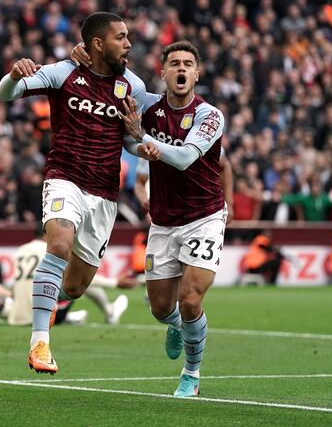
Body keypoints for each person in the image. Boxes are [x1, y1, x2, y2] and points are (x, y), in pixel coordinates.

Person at [0, 12, 160, 374]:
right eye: (121, 37)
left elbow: (135, 140)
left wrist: (141, 145)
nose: (129, 44)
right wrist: (13, 75)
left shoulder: (132, 86)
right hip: (64, 178)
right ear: (98, 43)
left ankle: (49, 301)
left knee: (76, 286)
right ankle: (40, 342)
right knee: (57, 245)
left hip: (103, 194)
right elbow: (4, 94)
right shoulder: (63, 72)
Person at [77, 40, 226, 397]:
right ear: (162, 72)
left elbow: (186, 157)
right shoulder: (150, 108)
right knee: (162, 309)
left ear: (197, 73)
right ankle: (175, 325)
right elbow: (128, 139)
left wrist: (142, 138)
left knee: (191, 300)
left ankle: (191, 374)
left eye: (188, 64)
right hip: (163, 220)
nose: (181, 69)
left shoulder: (210, 115)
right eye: (174, 63)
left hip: (205, 216)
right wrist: (90, 57)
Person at [8, 225, 129, 327]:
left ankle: (72, 317)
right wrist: (115, 283)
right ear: (47, 234)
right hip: (45, 314)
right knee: (80, 277)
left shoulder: (20, 250)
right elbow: (79, 278)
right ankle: (110, 312)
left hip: (17, 316)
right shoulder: (49, 250)